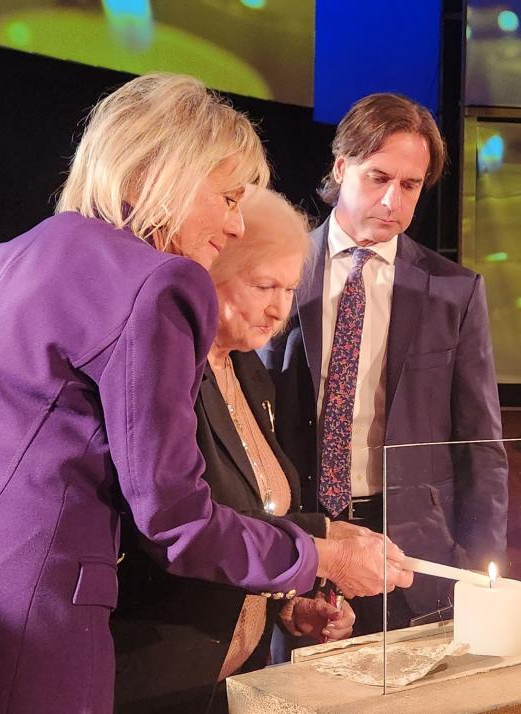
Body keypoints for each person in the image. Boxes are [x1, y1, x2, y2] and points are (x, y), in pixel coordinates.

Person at [0, 74, 410, 714]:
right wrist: (320, 557)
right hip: (37, 629)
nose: (236, 226)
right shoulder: (159, 282)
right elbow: (176, 521)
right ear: (166, 173)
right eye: (229, 197)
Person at [260, 92, 508, 632]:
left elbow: (481, 447)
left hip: (414, 555)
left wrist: (483, 576)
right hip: (305, 545)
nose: (393, 201)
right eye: (379, 178)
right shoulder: (279, 267)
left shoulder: (454, 291)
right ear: (341, 166)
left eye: (410, 185)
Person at [113, 188, 358, 713]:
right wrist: (325, 550)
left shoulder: (250, 371)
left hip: (233, 682)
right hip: (155, 677)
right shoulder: (166, 372)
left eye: (290, 289)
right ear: (207, 275)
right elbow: (184, 529)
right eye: (264, 285)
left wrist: (291, 607)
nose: (279, 309)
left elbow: (255, 517)